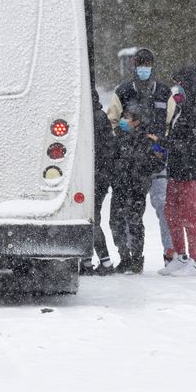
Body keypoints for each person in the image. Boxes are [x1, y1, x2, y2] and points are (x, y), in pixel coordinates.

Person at [106, 48, 173, 266]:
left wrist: (161, 143)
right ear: (134, 66)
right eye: (140, 64)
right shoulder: (123, 91)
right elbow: (111, 121)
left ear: (153, 66)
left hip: (156, 159)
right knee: (126, 212)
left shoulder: (164, 93)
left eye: (147, 64)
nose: (144, 68)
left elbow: (172, 124)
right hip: (129, 161)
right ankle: (129, 257)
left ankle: (170, 255)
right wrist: (120, 130)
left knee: (162, 206)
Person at [157, 65, 196, 277]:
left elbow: (189, 143)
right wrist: (161, 145)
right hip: (178, 169)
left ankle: (195, 261)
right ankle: (180, 256)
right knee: (170, 211)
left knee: (188, 215)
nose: (177, 89)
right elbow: (176, 139)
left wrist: (165, 144)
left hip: (194, 171)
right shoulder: (182, 109)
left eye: (181, 84)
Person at [107, 103, 166, 273]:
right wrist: (116, 171)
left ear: (137, 121)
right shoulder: (118, 136)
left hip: (137, 189)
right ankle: (124, 258)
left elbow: (159, 161)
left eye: (128, 118)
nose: (124, 120)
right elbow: (110, 158)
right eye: (124, 117)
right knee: (115, 223)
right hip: (119, 187)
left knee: (135, 224)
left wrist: (142, 169)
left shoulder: (148, 139)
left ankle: (137, 260)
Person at [86, 86, 120, 275]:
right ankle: (95, 261)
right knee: (92, 218)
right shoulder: (100, 117)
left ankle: (104, 262)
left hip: (95, 177)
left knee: (91, 219)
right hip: (101, 176)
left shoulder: (92, 118)